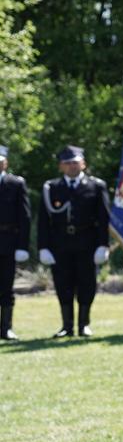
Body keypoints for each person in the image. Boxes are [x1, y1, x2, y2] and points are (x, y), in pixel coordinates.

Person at [37, 145, 111, 337]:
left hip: (87, 243)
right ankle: (67, 325)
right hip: (60, 244)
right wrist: (43, 247)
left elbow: (104, 218)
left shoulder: (96, 186)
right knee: (63, 284)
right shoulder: (51, 188)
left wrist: (104, 245)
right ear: (61, 166)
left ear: (83, 164)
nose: (71, 166)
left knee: (87, 284)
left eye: (75, 163)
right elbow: (44, 221)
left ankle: (84, 324)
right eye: (67, 163)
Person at [0, 145, 28, 340]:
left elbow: (24, 217)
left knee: (6, 287)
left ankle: (6, 328)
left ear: (5, 163)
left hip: (7, 242)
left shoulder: (16, 184)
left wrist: (22, 246)